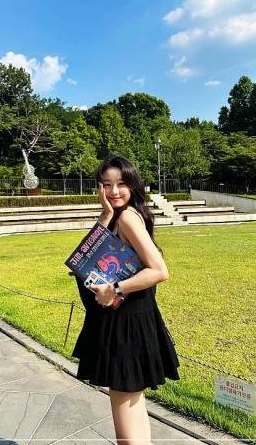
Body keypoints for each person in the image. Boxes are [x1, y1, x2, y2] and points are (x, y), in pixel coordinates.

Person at [71, 155, 180, 445]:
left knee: (126, 426)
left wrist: (115, 289)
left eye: (121, 184)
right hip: (125, 322)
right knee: (133, 405)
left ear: (133, 184)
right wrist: (105, 214)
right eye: (106, 184)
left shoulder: (128, 218)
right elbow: (84, 256)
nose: (114, 191)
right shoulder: (117, 216)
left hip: (126, 327)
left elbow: (159, 271)